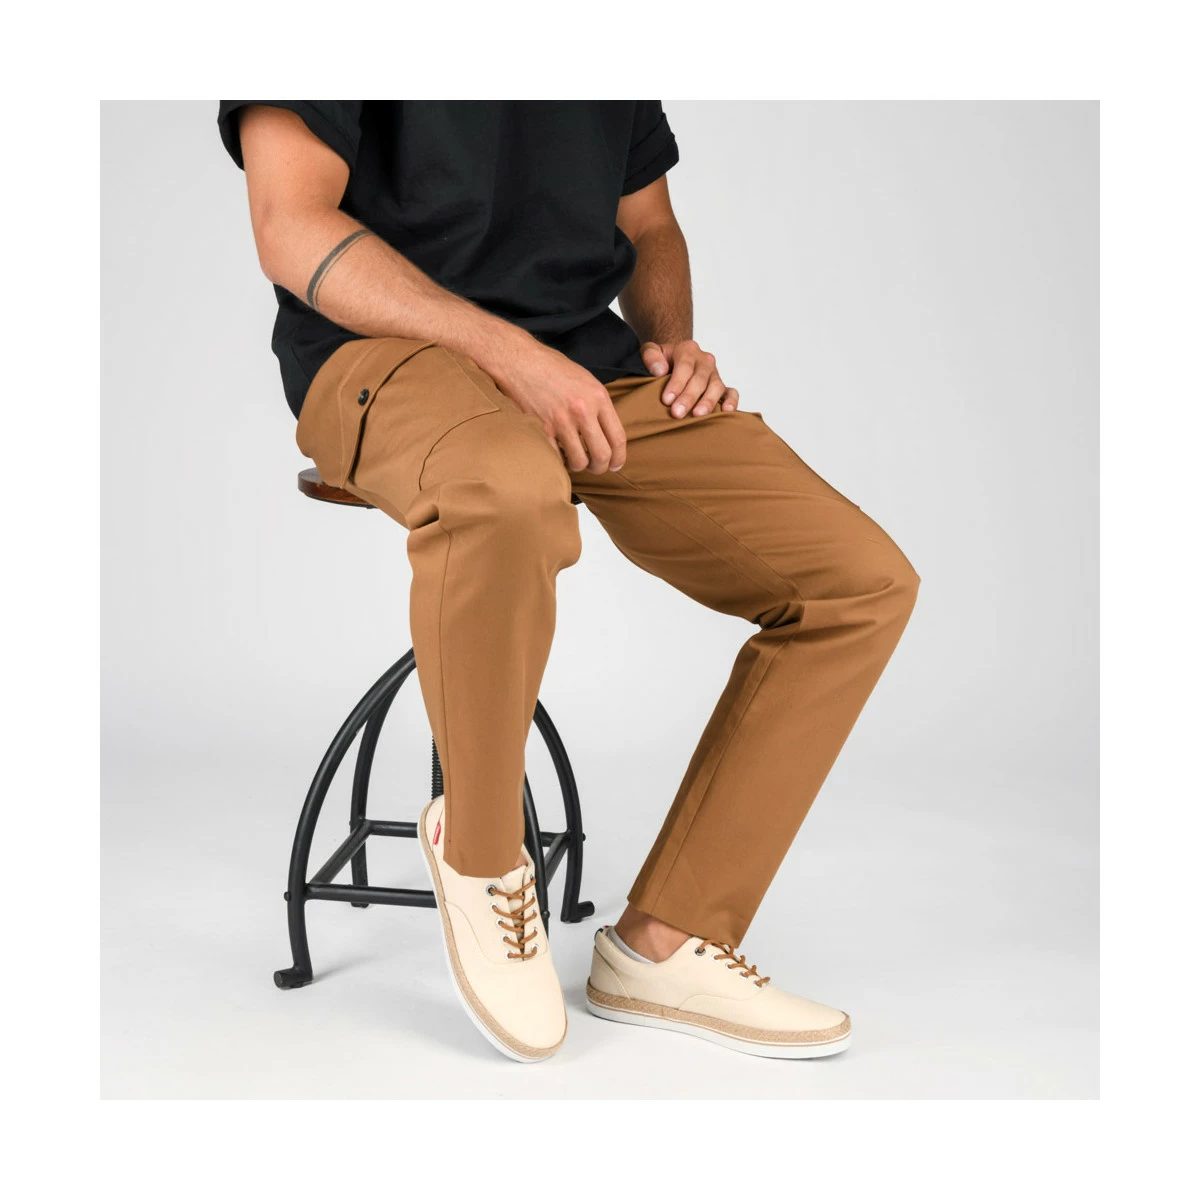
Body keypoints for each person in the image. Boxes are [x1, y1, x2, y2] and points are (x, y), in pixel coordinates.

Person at [219, 100, 919, 1062]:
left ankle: (663, 943)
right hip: (380, 356)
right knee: (506, 491)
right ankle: (481, 857)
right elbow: (289, 224)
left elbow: (650, 224)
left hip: (588, 367)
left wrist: (673, 342)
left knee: (857, 582)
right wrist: (509, 354)